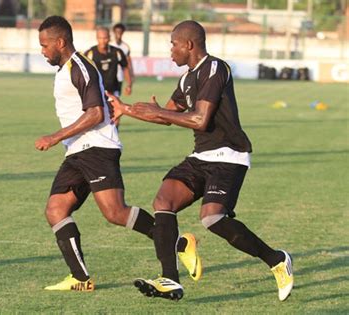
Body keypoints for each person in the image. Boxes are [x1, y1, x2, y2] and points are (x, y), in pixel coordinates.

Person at [107, 20, 293, 301]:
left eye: (173, 44)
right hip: (201, 157)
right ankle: (170, 279)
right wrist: (126, 109)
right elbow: (165, 115)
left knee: (212, 218)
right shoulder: (186, 79)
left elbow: (199, 118)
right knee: (163, 202)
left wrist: (160, 112)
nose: (170, 50)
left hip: (229, 156)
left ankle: (277, 259)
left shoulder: (215, 68)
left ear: (189, 45)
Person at [35, 16, 202, 292]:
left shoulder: (81, 68)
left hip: (97, 148)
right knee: (55, 210)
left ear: (60, 42)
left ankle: (178, 243)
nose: (42, 51)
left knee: (115, 212)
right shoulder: (67, 68)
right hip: (77, 150)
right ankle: (80, 278)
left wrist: (54, 137)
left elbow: (96, 113)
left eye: (44, 45)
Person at [85, 27, 132, 97]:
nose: (103, 41)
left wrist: (129, 85)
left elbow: (125, 68)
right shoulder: (90, 53)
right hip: (96, 90)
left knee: (114, 108)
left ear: (109, 38)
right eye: (100, 38)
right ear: (97, 38)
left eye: (105, 38)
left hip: (113, 89)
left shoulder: (117, 52)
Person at [112, 23, 134, 95]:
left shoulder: (125, 47)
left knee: (116, 98)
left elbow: (127, 65)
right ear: (114, 32)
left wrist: (129, 83)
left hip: (119, 77)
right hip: (107, 77)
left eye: (120, 32)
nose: (118, 34)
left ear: (122, 33)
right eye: (117, 32)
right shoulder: (109, 45)